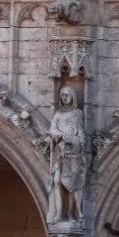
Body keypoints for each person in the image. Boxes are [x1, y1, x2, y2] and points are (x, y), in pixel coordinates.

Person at [46, 86, 86, 224]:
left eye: (67, 95)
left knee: (71, 184)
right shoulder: (58, 113)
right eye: (62, 95)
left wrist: (77, 144)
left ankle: (70, 213)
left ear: (73, 96)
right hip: (59, 152)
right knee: (57, 181)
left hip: (73, 153)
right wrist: (55, 133)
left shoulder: (77, 113)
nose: (64, 97)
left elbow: (81, 134)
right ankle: (58, 213)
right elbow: (52, 128)